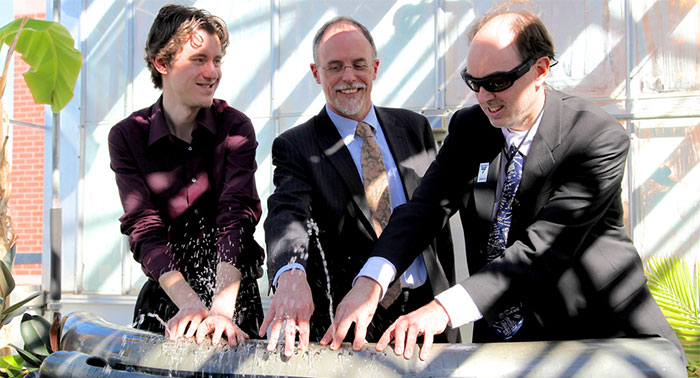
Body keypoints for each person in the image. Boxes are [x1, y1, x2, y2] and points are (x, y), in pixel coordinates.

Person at [327, 1, 686, 364]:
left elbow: (541, 249)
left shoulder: (595, 137)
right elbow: (424, 209)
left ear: (540, 69)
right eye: (473, 82)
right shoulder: (471, 127)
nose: (484, 97)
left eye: (497, 82)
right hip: (506, 341)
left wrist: (441, 309)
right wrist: (369, 281)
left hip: (600, 337)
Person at [260, 16, 456, 357]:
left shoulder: (415, 128)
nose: (348, 77)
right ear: (316, 73)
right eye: (334, 67)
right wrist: (291, 272)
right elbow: (286, 213)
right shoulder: (296, 145)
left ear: (375, 67)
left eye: (358, 65)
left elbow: (432, 212)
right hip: (352, 324)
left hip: (426, 311)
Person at [108, 4, 264, 346]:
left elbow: (236, 215)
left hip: (234, 297)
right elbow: (143, 227)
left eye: (217, 60)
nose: (212, 72)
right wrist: (192, 306)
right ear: (161, 63)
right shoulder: (127, 136)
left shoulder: (235, 127)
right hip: (168, 299)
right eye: (199, 59)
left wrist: (220, 312)